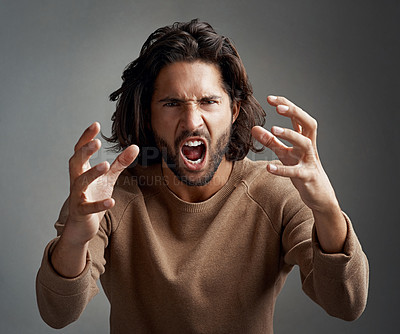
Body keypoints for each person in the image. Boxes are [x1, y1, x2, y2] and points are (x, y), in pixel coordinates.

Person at [36, 19, 369, 333]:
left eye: (209, 101)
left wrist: (327, 210)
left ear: (233, 111)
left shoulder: (275, 193)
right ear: (149, 115)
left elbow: (346, 303)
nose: (192, 121)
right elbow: (57, 313)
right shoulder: (105, 198)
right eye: (171, 104)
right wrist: (76, 237)